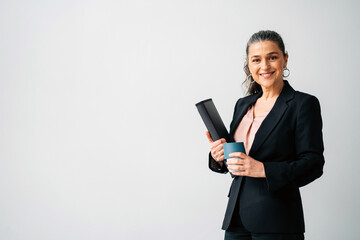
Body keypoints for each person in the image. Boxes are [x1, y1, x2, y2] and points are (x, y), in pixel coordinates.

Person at [205, 30, 324, 240]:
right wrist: (219, 157)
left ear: (285, 59)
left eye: (272, 57)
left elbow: (313, 164)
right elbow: (237, 162)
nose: (265, 66)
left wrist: (263, 169)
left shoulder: (302, 104)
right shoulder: (242, 105)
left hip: (277, 221)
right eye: (257, 60)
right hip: (236, 219)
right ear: (249, 65)